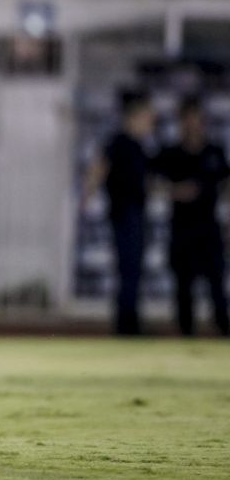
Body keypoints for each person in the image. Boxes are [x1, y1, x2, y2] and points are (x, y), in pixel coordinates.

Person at [153, 96, 230, 336]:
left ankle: (223, 328)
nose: (193, 125)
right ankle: (186, 331)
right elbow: (151, 182)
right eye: (188, 120)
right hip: (182, 229)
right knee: (183, 285)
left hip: (209, 227)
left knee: (216, 281)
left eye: (197, 120)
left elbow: (226, 184)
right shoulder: (171, 153)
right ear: (181, 122)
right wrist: (175, 191)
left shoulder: (214, 151)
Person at [83, 89, 155, 336]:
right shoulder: (119, 142)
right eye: (147, 117)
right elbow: (99, 166)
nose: (150, 122)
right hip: (125, 214)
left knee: (133, 270)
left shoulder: (139, 146)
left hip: (136, 212)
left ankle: (130, 320)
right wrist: (88, 193)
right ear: (134, 117)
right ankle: (126, 324)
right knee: (128, 269)